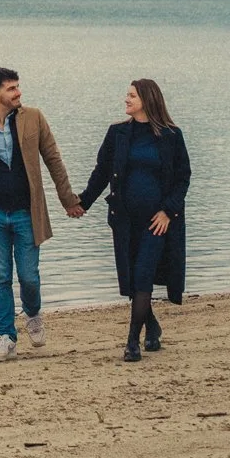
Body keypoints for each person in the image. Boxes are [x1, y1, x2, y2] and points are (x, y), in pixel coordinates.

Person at [0, 68, 84, 362]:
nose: (18, 93)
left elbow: (53, 159)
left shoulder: (34, 118)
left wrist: (68, 200)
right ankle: (6, 338)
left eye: (18, 87)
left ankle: (33, 313)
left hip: (27, 212)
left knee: (28, 277)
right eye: (12, 88)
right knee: (0, 277)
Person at [77, 78, 192, 362]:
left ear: (147, 99)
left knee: (142, 276)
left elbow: (183, 177)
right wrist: (82, 203)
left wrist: (168, 211)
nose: (126, 100)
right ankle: (152, 327)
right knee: (133, 279)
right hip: (125, 221)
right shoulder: (117, 133)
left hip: (158, 222)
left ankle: (132, 342)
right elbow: (102, 172)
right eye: (126, 95)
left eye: (131, 96)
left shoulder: (171, 135)